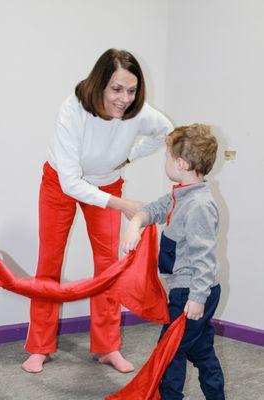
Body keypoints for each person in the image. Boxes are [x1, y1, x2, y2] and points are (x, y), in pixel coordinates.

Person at [21, 48, 173, 374]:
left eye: (131, 90)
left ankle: (107, 346)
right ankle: (39, 346)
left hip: (107, 185)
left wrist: (129, 158)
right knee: (49, 263)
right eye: (116, 89)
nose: (124, 99)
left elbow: (166, 131)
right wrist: (122, 205)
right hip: (60, 186)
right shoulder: (72, 111)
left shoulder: (138, 113)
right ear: (100, 84)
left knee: (108, 267)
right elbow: (71, 182)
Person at [122, 124, 225, 399]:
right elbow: (155, 209)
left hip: (192, 291)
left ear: (180, 163)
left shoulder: (199, 205)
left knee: (169, 353)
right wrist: (136, 222)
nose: (165, 162)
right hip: (189, 289)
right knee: (202, 351)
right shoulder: (181, 195)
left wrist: (197, 297)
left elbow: (204, 258)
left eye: (167, 157)